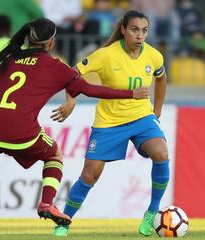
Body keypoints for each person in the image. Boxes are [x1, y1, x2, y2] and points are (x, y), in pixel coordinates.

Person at [0, 17, 150, 236]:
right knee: (54, 156)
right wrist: (131, 93)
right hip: (21, 133)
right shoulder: (55, 66)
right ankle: (46, 203)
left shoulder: (9, 60)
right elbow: (90, 90)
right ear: (50, 42)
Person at [52, 10, 169, 237]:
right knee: (89, 175)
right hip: (109, 122)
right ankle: (63, 222)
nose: (140, 35)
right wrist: (70, 101)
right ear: (124, 29)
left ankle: (152, 212)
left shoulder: (154, 56)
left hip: (141, 118)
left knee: (161, 153)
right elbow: (72, 74)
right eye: (134, 29)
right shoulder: (106, 55)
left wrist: (157, 111)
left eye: (144, 31)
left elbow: (161, 78)